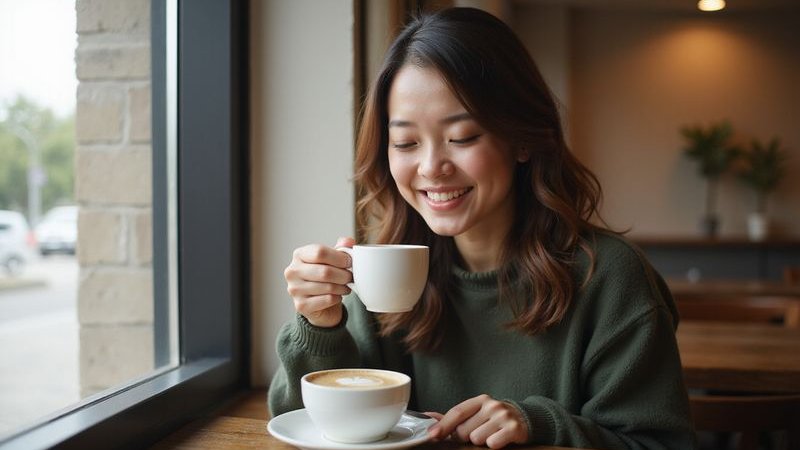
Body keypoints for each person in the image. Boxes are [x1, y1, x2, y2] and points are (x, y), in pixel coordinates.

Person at [269, 7, 695, 450]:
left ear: (524, 138)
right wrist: (320, 325)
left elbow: (661, 444)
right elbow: (294, 423)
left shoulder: (609, 278)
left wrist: (540, 426)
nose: (432, 167)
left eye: (463, 137)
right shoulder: (384, 269)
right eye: (406, 143)